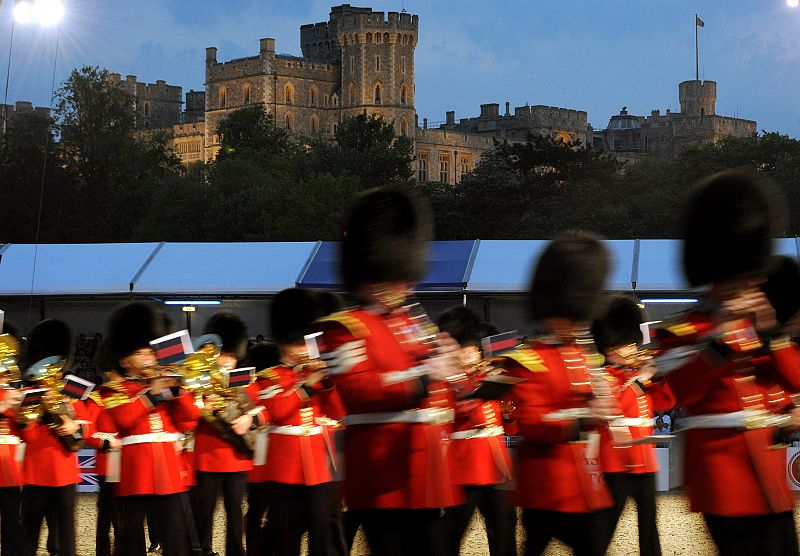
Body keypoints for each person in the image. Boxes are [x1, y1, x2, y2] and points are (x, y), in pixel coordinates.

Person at [653, 170, 800, 556]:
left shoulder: (758, 326)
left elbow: (794, 380)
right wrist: (718, 344)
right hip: (721, 468)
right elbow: (668, 394)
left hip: (765, 465)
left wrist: (772, 332)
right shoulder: (685, 328)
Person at [317, 187, 461, 556]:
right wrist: (426, 377)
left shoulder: (412, 323)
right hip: (382, 468)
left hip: (425, 464)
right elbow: (358, 390)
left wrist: (450, 368)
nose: (404, 285)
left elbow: (440, 392)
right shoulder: (345, 328)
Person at [497, 233, 618, 556]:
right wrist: (584, 417)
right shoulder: (527, 361)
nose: (578, 325)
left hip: (584, 482)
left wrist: (602, 405)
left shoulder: (584, 357)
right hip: (546, 484)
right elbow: (532, 421)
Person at [102, 302, 200, 556]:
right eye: (141, 354)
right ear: (125, 361)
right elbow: (123, 420)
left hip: (168, 468)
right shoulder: (116, 390)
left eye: (151, 353)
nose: (149, 359)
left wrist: (178, 392)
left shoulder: (168, 386)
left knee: (176, 536)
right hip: (137, 469)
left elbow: (190, 421)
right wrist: (152, 395)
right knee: (130, 536)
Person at [260, 288, 347, 556]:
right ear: (284, 344)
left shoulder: (318, 374)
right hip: (286, 466)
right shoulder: (271, 376)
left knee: (324, 530)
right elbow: (278, 412)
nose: (304, 349)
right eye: (299, 343)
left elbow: (338, 413)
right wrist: (306, 387)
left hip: (320, 466)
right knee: (286, 533)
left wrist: (329, 383)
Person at [592, 294, 675, 556]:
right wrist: (642, 378)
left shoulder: (636, 374)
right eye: (627, 345)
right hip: (615, 460)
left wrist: (658, 377)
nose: (633, 349)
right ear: (610, 348)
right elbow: (615, 406)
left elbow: (665, 402)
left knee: (649, 524)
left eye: (632, 344)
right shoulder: (604, 376)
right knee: (606, 523)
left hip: (644, 459)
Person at [437, 306, 515, 556]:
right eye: (466, 349)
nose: (471, 353)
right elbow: (448, 416)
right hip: (465, 464)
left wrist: (508, 407)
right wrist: (472, 389)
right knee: (452, 530)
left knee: (504, 528)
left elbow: (508, 422)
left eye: (473, 349)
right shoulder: (446, 381)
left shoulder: (487, 375)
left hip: (496, 461)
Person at [192, 311, 266, 556]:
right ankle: (203, 549)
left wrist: (249, 417)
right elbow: (187, 417)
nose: (226, 361)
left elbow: (264, 413)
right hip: (209, 454)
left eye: (231, 356)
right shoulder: (199, 381)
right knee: (204, 509)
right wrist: (203, 406)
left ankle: (236, 551)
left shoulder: (247, 381)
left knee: (235, 509)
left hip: (237, 456)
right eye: (223, 355)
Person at [18, 320, 86, 556]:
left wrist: (74, 425)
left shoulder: (70, 392)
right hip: (37, 473)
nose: (54, 370)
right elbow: (27, 436)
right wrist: (35, 414)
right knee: (30, 531)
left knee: (67, 533)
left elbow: (88, 423)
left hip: (65, 472)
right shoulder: (28, 395)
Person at [81, 341, 123, 556]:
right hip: (109, 462)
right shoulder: (99, 398)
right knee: (107, 513)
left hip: (130, 460)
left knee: (126, 514)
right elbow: (86, 432)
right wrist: (106, 443)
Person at [242, 342, 279, 556]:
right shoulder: (261, 385)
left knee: (258, 508)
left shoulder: (252, 384)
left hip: (263, 457)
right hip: (264, 456)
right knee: (261, 508)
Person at [0, 325, 26, 556]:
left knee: (11, 520)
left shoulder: (11, 392)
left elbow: (22, 430)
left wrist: (23, 413)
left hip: (8, 466)